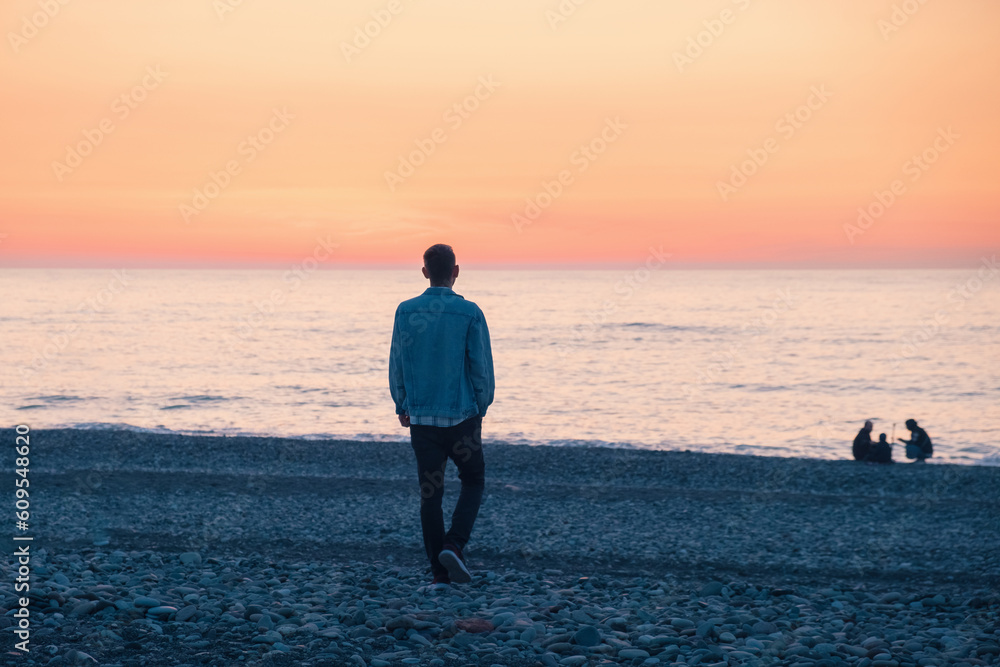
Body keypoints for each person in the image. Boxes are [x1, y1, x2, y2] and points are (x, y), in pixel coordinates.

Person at [389, 244, 495, 587]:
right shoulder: (469, 312)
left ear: (424, 272)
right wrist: (483, 404)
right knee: (474, 479)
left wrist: (402, 403)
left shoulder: (406, 311)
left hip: (422, 420)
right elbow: (480, 365)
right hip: (462, 416)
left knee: (430, 495)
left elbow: (398, 362)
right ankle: (454, 544)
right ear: (456, 271)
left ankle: (439, 571)